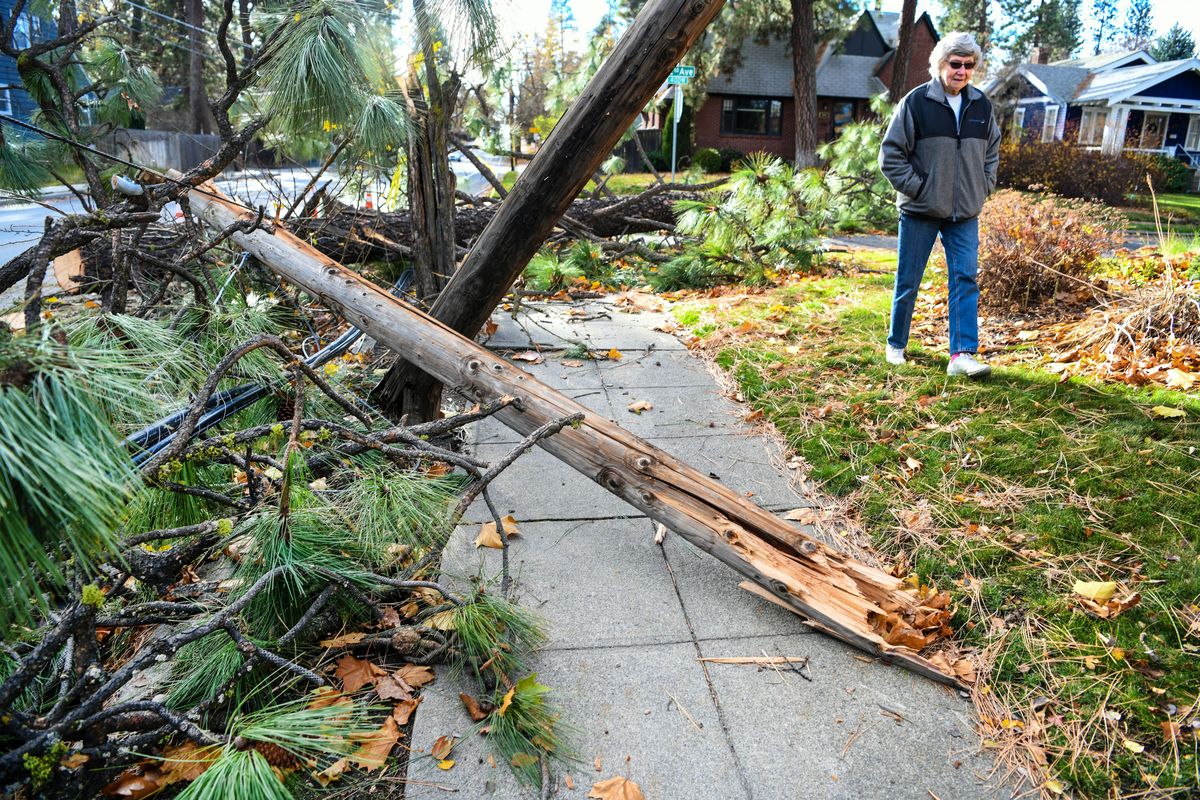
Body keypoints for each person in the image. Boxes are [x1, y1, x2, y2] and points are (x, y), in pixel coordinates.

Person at [878, 32, 1001, 378]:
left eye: (968, 65)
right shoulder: (916, 103)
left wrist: (983, 186)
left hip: (965, 212)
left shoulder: (981, 105)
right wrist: (919, 189)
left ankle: (961, 355)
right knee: (909, 280)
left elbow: (992, 152)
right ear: (940, 64)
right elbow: (891, 155)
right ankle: (896, 344)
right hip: (920, 210)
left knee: (965, 278)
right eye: (955, 63)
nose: (961, 71)